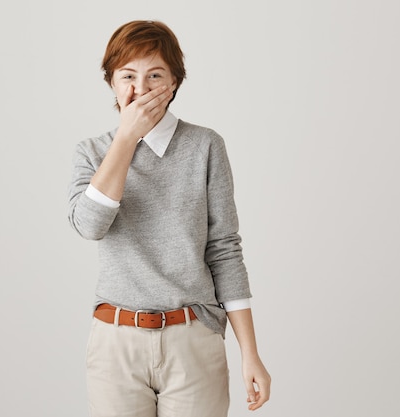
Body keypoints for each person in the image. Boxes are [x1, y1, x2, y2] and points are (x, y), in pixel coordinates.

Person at [67, 20, 271, 417]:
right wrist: (127, 138)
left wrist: (251, 354)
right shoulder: (92, 151)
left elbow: (224, 250)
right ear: (110, 81)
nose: (139, 89)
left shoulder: (205, 146)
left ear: (175, 82)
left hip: (193, 338)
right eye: (127, 76)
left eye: (154, 75)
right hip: (115, 342)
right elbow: (90, 226)